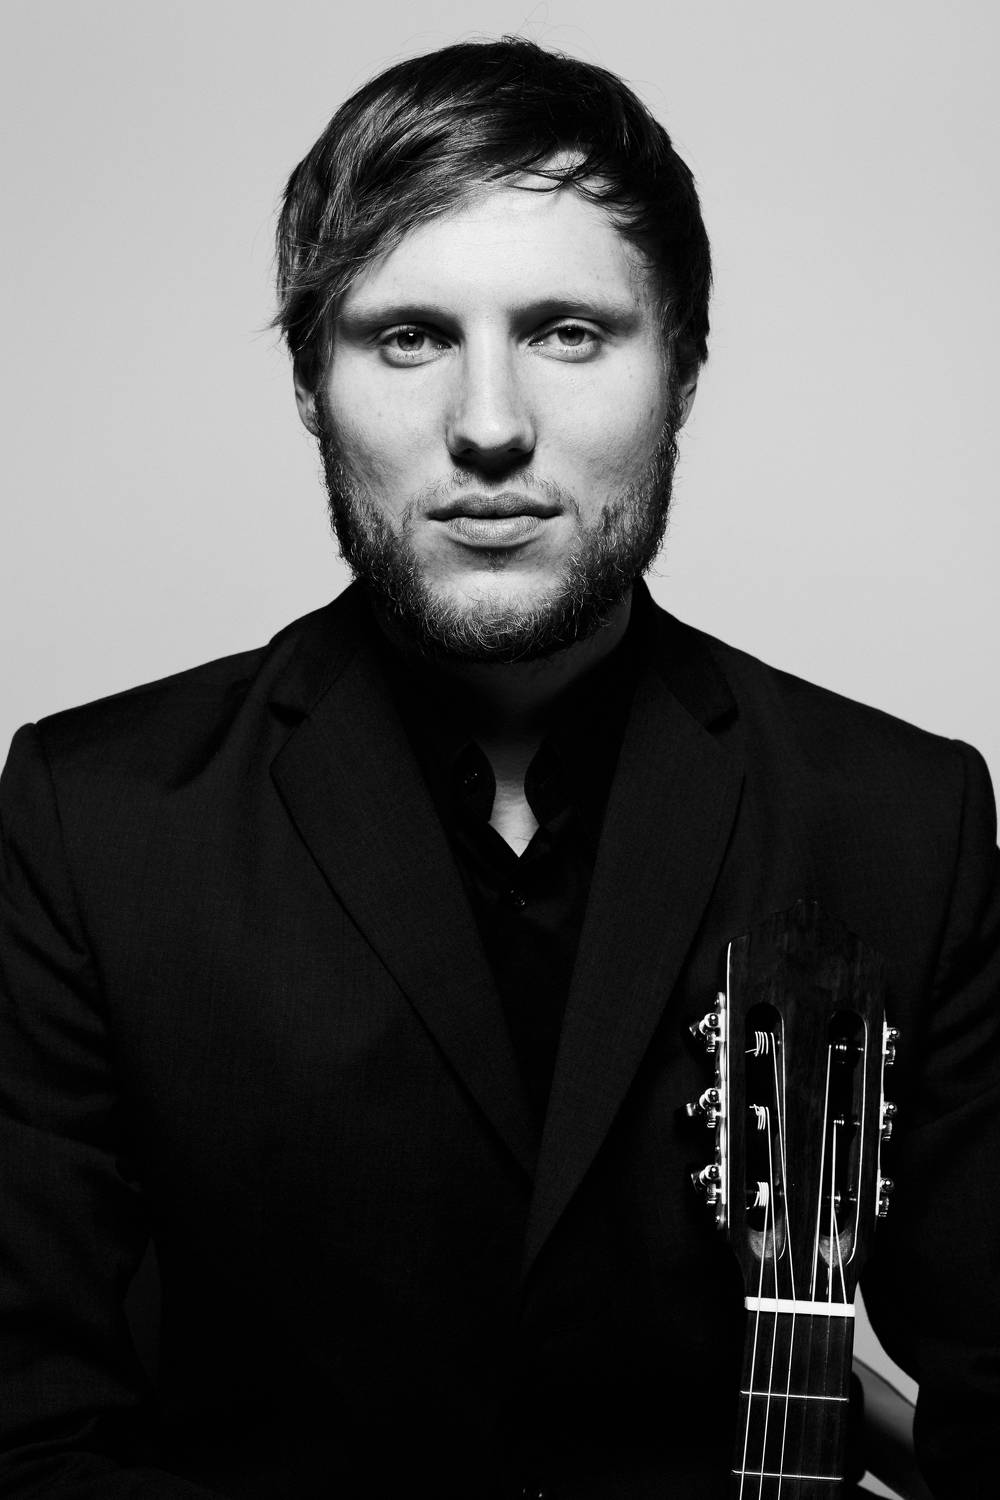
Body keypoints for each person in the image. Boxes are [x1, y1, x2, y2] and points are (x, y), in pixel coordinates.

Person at [1, 36, 998, 1500]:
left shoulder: (905, 821)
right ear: (309, 385)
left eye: (569, 333)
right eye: (408, 337)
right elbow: (31, 1440)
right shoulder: (92, 823)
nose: (488, 426)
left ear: (685, 370)